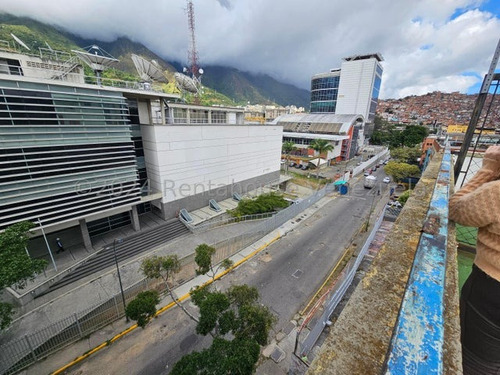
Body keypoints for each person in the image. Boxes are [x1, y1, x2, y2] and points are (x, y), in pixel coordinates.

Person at [449, 145, 500, 374]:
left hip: (491, 290)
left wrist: (488, 168)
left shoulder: (496, 192)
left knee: (477, 363)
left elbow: (455, 208)